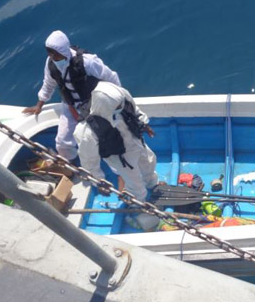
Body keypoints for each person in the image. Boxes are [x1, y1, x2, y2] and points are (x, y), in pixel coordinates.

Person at [23, 30, 121, 162]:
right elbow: (48, 84)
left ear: (64, 51)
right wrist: (39, 104)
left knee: (106, 135)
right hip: (71, 106)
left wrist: (120, 99)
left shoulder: (88, 62)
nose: (53, 58)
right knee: (62, 142)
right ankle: (70, 165)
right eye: (50, 54)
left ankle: (115, 163)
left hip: (94, 103)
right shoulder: (50, 63)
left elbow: (111, 77)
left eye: (56, 55)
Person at [73, 81, 158, 204]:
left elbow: (135, 110)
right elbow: (89, 161)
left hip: (136, 141)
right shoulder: (86, 132)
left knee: (149, 161)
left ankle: (152, 183)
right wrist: (98, 181)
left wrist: (144, 125)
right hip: (121, 157)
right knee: (135, 183)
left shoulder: (120, 100)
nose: (121, 108)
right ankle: (139, 204)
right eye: (117, 108)